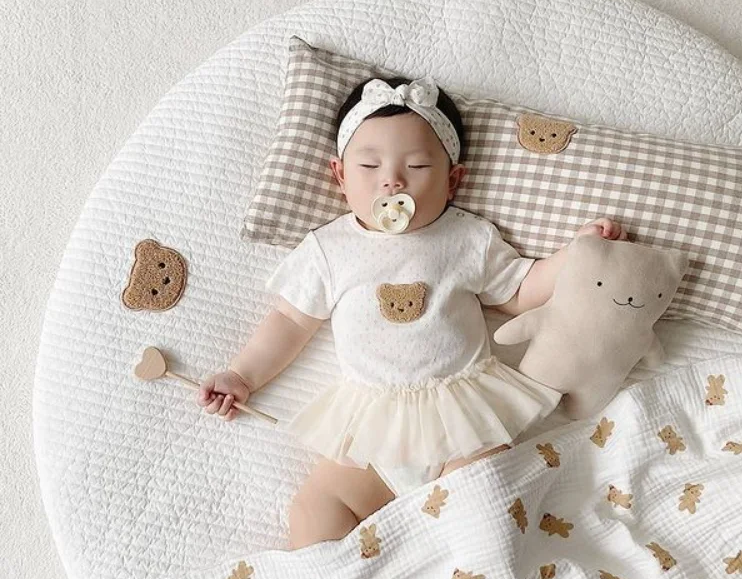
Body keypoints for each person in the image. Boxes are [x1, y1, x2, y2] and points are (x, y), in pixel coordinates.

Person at [197, 75, 628, 549]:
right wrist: (242, 375)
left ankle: (467, 576)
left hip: (463, 423)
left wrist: (575, 254)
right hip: (372, 429)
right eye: (369, 165)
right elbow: (290, 320)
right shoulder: (329, 249)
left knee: (487, 511)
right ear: (340, 176)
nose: (392, 181)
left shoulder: (467, 238)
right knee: (315, 509)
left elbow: (521, 290)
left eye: (418, 165)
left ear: (452, 180)